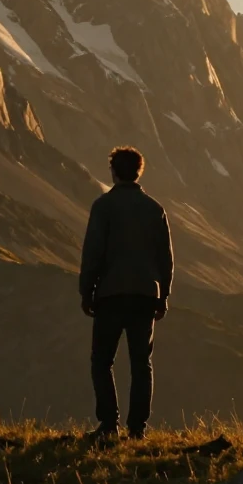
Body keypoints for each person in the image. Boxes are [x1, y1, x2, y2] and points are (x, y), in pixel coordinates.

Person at [78, 146, 174, 440]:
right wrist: (163, 296)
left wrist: (87, 291)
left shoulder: (103, 207)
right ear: (138, 171)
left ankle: (109, 424)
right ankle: (137, 429)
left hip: (110, 294)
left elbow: (93, 252)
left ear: (114, 172)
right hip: (145, 295)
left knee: (102, 360)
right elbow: (165, 258)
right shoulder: (155, 209)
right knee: (141, 363)